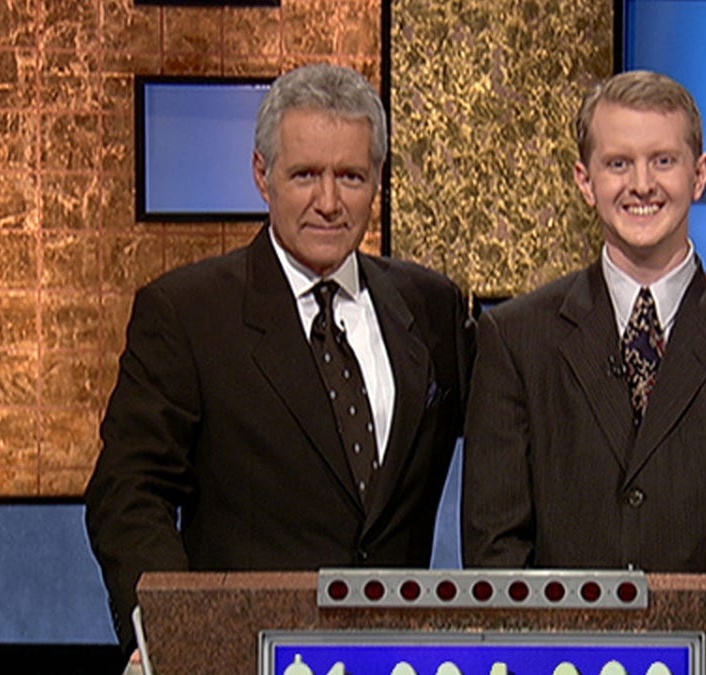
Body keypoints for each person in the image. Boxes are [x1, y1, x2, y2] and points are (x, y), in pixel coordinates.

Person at [84, 63, 475, 653]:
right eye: (305, 175)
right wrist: (176, 636)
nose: (328, 201)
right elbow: (129, 494)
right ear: (262, 175)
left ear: (379, 180)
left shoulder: (432, 308)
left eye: (350, 176)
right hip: (245, 654)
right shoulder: (188, 314)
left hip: (395, 656)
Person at [461, 70, 706, 672]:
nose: (642, 185)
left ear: (701, 174)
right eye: (618, 164)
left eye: (663, 160)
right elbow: (495, 556)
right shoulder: (514, 340)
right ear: (585, 181)